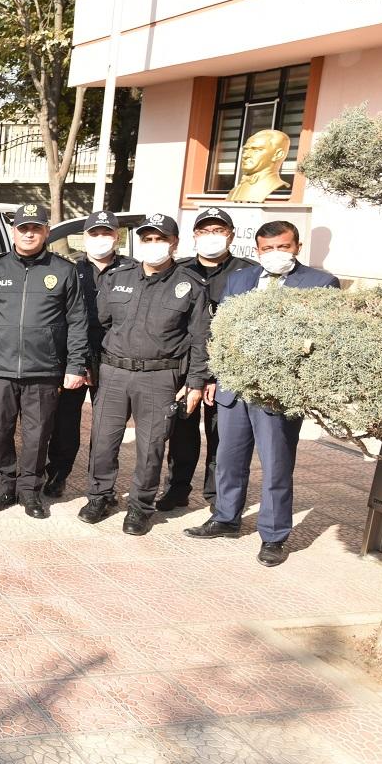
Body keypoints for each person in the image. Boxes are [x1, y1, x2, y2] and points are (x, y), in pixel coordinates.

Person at [186, 220, 340, 566]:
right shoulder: (240, 279)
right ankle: (226, 517)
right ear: (257, 251)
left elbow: (324, 341)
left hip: (277, 392)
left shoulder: (319, 283)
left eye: (283, 247)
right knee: (228, 459)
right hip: (234, 387)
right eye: (268, 248)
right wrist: (213, 377)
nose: (275, 253)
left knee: (276, 466)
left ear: (297, 247)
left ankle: (273, 535)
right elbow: (222, 330)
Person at [82, 213, 211, 535]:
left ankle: (140, 507)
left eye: (161, 239)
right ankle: (100, 496)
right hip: (114, 372)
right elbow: (102, 322)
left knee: (151, 446)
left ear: (174, 243)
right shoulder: (117, 277)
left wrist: (195, 383)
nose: (153, 244)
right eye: (148, 239)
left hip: (159, 376)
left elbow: (200, 339)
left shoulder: (190, 285)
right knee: (103, 441)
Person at [0, 203, 88, 518]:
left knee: (37, 434)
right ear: (14, 231)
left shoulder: (64, 270)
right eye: (23, 228)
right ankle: (4, 484)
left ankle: (29, 490)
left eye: (36, 228)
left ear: (46, 232)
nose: (29, 234)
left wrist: (75, 365)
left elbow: (77, 321)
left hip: (44, 368)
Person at [157, 207, 257, 510]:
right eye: (204, 231)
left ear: (231, 235)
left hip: (226, 371)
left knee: (221, 438)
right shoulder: (179, 270)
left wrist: (215, 375)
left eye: (218, 231)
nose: (211, 237)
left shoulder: (248, 273)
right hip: (184, 367)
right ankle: (177, 489)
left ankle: (217, 496)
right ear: (194, 236)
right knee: (182, 433)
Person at [44, 211, 135, 498]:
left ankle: (100, 485)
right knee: (65, 422)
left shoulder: (132, 271)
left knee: (107, 428)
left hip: (114, 358)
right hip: (76, 356)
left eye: (106, 233)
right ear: (84, 237)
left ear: (117, 236)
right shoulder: (70, 269)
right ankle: (57, 475)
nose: (100, 239)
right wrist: (78, 360)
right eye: (94, 233)